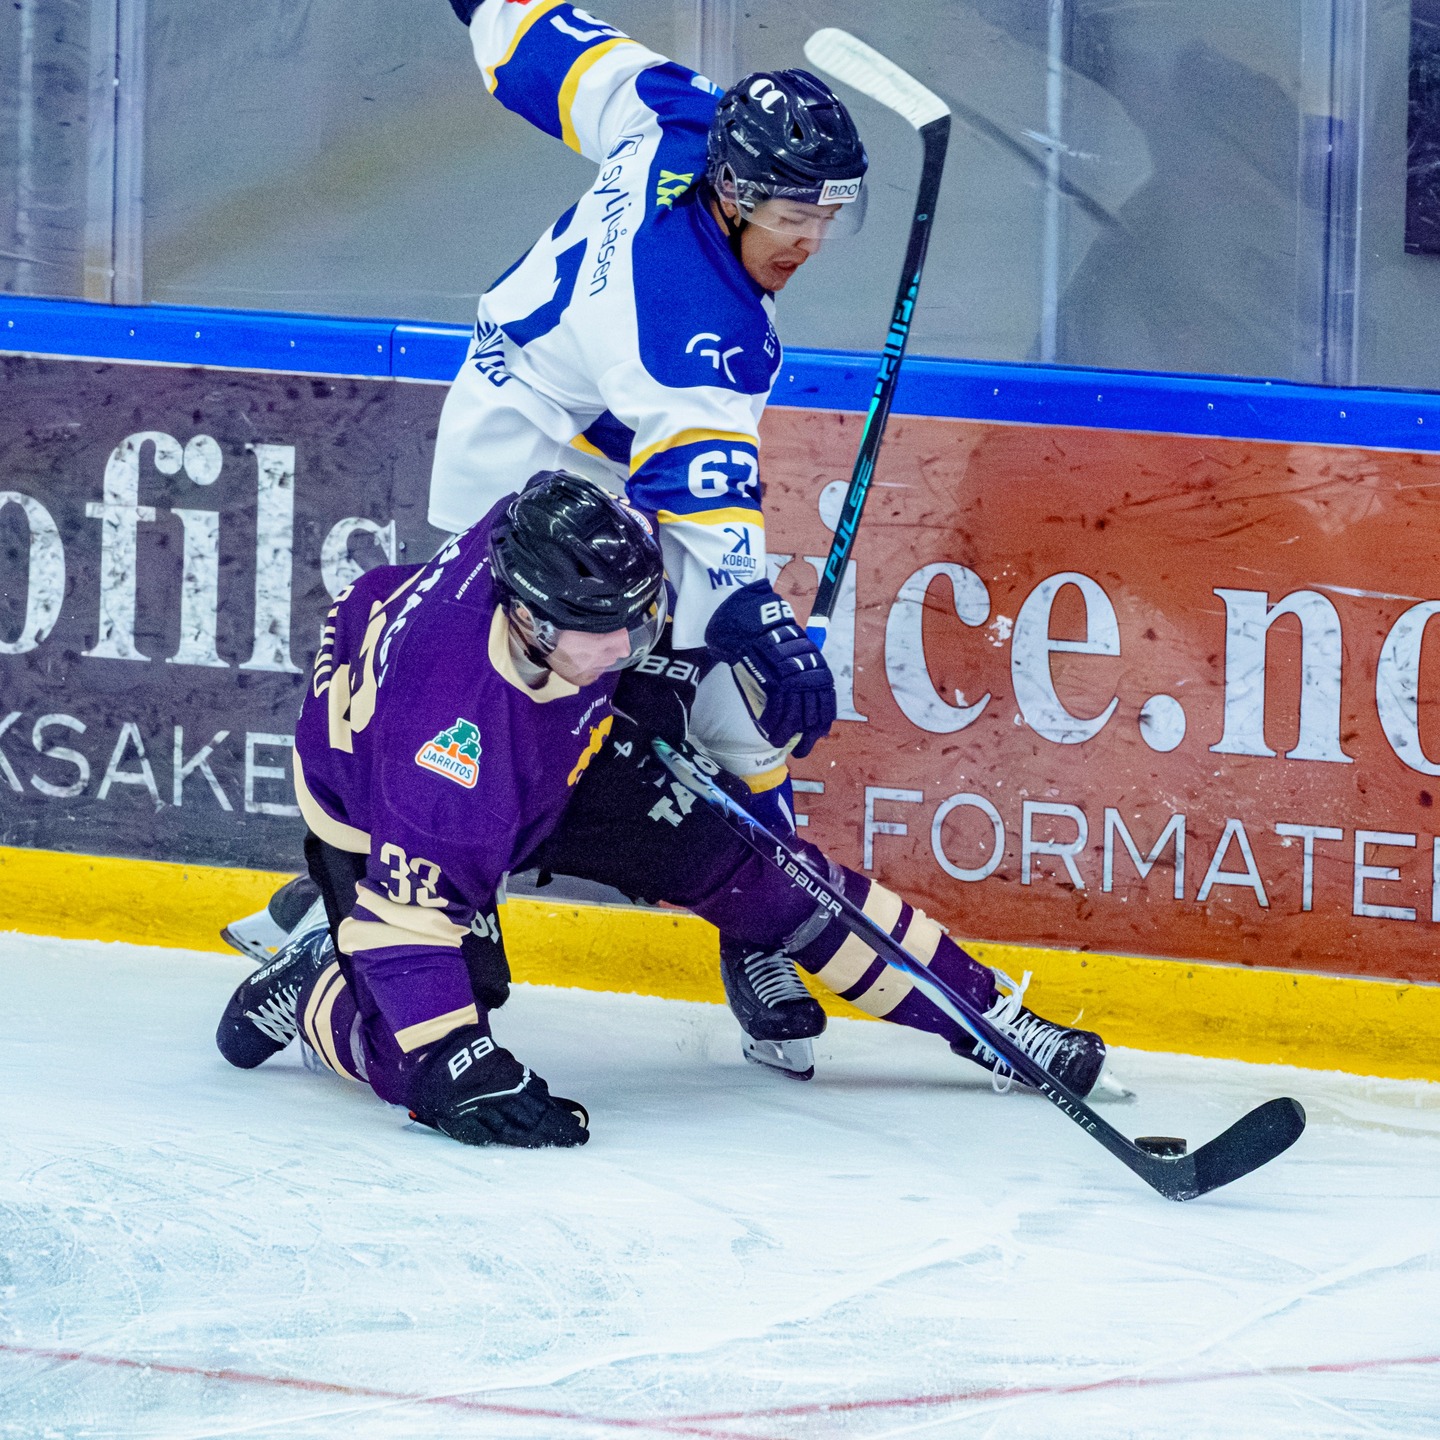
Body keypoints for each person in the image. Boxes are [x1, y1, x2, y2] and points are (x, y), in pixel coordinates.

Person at [224, 0, 876, 1078]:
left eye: (829, 216)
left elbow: (544, 49)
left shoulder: (679, 116)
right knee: (513, 719)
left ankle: (753, 926)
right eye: (794, 217)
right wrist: (757, 612)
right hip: (531, 464)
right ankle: (339, 928)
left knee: (715, 701)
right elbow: (704, 481)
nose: (810, 241)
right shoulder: (689, 323)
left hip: (555, 422)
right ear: (736, 191)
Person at [215, 473, 1108, 1150]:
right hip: (374, 808)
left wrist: (693, 649)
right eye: (600, 632)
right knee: (424, 1052)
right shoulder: (451, 760)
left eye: (633, 625)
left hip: (560, 750)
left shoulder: (561, 550)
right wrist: (454, 1065)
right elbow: (406, 922)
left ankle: (989, 1019)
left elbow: (655, 568)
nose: (623, 645)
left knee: (767, 877)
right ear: (528, 621)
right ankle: (315, 992)